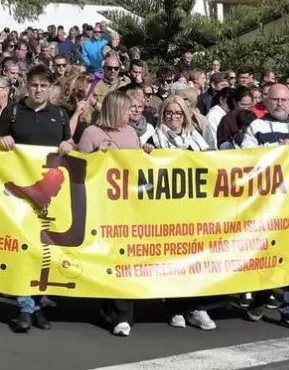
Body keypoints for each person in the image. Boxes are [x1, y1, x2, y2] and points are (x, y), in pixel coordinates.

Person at [0, 64, 73, 333]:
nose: (38, 90)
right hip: (18, 195)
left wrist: (69, 145)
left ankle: (36, 306)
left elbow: (70, 143)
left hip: (48, 197)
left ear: (50, 89)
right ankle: (26, 307)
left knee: (42, 251)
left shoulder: (59, 114)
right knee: (23, 249)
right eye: (34, 85)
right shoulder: (14, 111)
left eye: (44, 86)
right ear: (27, 84)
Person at [241, 83, 289, 333]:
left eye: (285, 100)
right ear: (266, 101)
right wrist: (276, 151)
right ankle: (261, 299)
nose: (280, 104)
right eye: (275, 100)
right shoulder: (257, 126)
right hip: (269, 204)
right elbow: (246, 158)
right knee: (269, 255)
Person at [76, 89, 154, 336]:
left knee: (123, 259)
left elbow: (137, 166)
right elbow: (79, 168)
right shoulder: (91, 133)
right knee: (106, 259)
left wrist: (146, 151)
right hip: (100, 207)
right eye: (126, 109)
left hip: (126, 207)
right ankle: (110, 310)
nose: (131, 113)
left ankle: (123, 315)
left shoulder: (130, 133)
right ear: (114, 110)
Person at [145, 96, 217, 331]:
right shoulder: (153, 139)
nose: (173, 118)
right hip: (166, 213)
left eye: (178, 114)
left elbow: (213, 163)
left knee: (196, 261)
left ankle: (197, 307)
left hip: (194, 212)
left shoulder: (195, 138)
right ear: (162, 115)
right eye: (169, 113)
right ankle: (176, 308)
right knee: (173, 261)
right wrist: (145, 152)